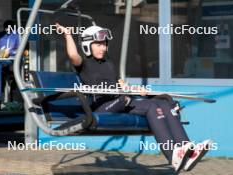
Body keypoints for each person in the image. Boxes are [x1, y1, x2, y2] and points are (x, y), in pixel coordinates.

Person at [56, 23, 213, 172]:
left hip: (121, 102)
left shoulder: (109, 64)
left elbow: (121, 84)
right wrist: (68, 35)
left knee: (162, 105)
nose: (103, 47)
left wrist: (133, 89)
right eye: (98, 44)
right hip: (102, 107)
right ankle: (174, 155)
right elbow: (73, 55)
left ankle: (184, 151)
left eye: (104, 44)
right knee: (129, 99)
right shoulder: (84, 64)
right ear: (87, 45)